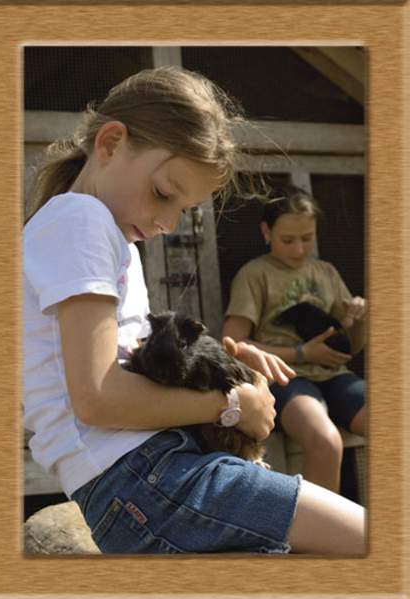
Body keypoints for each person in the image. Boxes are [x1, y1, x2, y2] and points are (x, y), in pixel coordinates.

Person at [24, 66, 365, 555]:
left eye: (184, 209)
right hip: (146, 478)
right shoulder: (82, 219)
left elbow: (128, 367)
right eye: (164, 193)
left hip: (149, 477)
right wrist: (231, 405)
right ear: (111, 143)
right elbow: (97, 398)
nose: (167, 221)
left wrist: (224, 367)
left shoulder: (101, 235)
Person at [223, 183, 366, 493]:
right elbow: (233, 344)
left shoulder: (326, 272)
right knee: (325, 441)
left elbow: (352, 348)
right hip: (285, 379)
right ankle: (320, 525)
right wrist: (302, 353)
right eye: (288, 240)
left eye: (307, 238)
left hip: (335, 376)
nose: (299, 249)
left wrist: (361, 319)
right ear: (266, 232)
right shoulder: (255, 274)